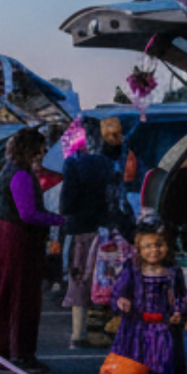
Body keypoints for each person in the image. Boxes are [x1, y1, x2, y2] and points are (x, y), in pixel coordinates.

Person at [0, 128, 64, 374]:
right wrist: (60, 220)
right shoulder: (20, 174)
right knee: (23, 297)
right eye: (41, 148)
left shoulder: (6, 169)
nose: (43, 153)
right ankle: (20, 354)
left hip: (7, 235)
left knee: (6, 294)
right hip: (19, 239)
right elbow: (28, 213)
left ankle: (1, 353)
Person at [110, 220, 187, 374]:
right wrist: (121, 301)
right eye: (148, 246)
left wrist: (179, 311)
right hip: (135, 333)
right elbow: (118, 293)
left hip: (163, 333)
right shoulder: (132, 270)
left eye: (159, 244)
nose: (154, 250)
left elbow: (181, 298)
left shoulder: (173, 271)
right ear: (139, 248)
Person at [59, 120, 118, 349]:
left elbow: (66, 203)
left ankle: (79, 332)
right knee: (102, 277)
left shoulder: (72, 164)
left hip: (78, 227)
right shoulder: (106, 164)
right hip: (102, 227)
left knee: (79, 278)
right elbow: (112, 197)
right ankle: (104, 327)